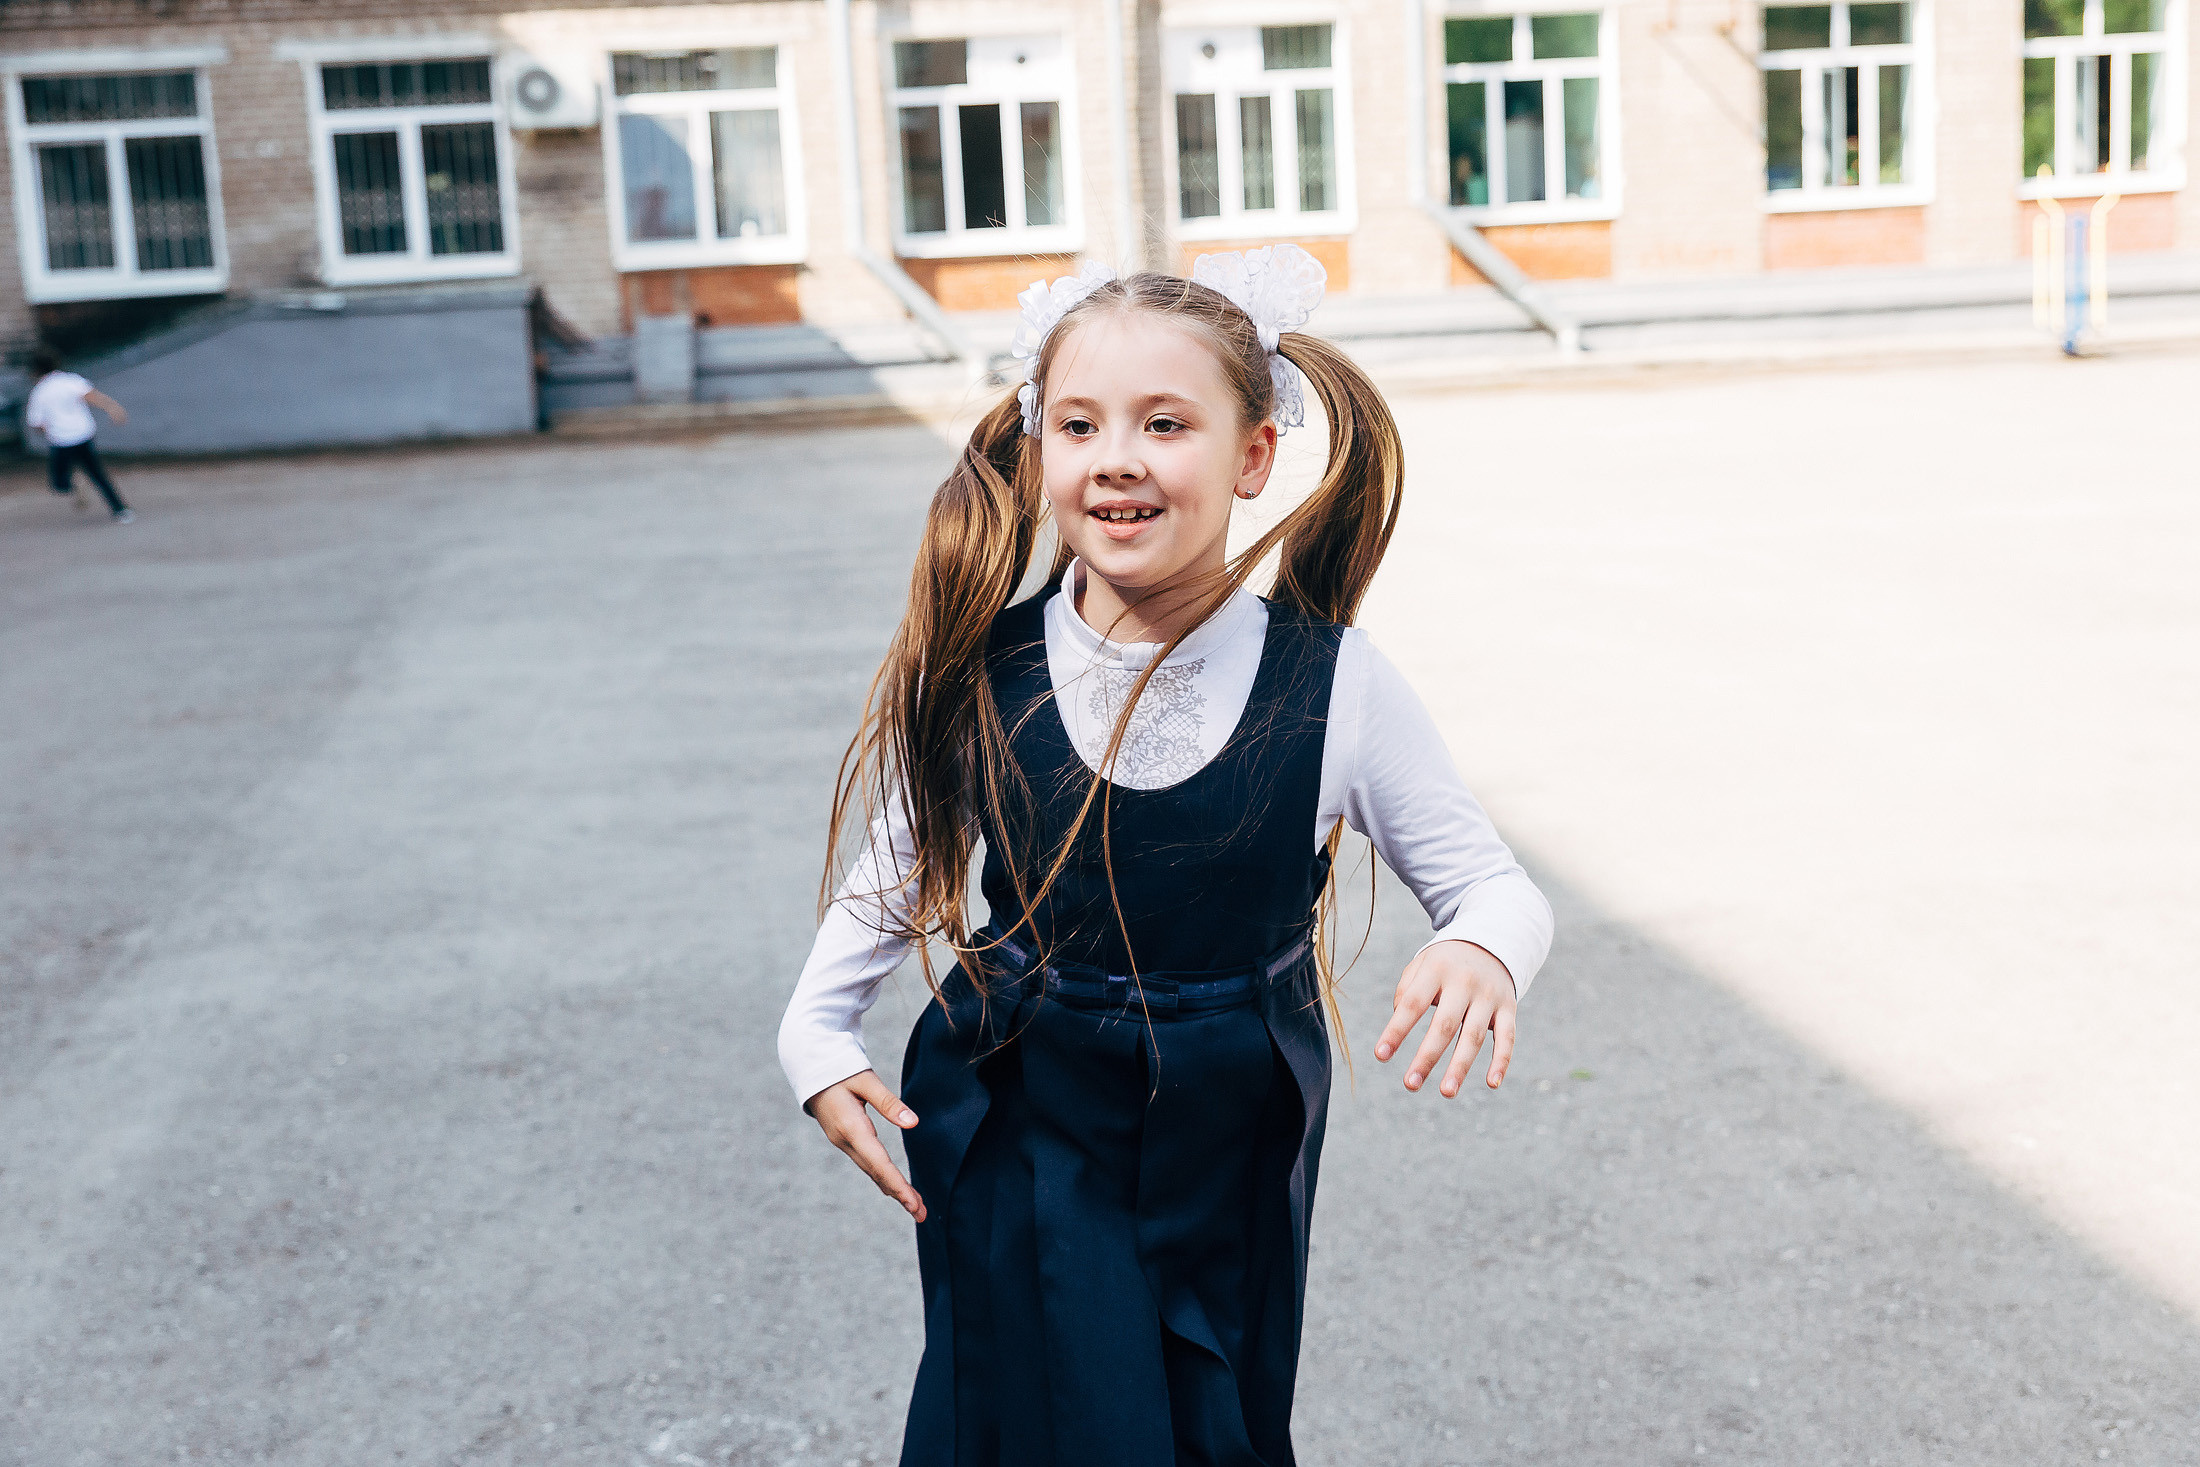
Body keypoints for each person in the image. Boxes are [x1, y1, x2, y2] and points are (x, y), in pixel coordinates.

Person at [777, 245, 1554, 1467]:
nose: (1117, 456)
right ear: (1039, 448)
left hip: (1226, 1124)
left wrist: (1481, 949)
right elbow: (898, 858)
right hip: (1017, 1096)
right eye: (1078, 424)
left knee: (1206, 1421)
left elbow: (1490, 885)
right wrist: (815, 1035)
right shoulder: (990, 665)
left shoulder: (1333, 682)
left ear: (1253, 456)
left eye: (1165, 423)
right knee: (1018, 1414)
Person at [24, 349, 133, 523]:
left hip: (60, 441)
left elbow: (36, 423)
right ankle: (120, 510)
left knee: (59, 483)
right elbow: (92, 396)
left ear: (35, 370)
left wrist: (48, 430)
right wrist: (113, 408)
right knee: (98, 474)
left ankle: (75, 483)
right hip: (83, 435)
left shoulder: (39, 393)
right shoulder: (71, 381)